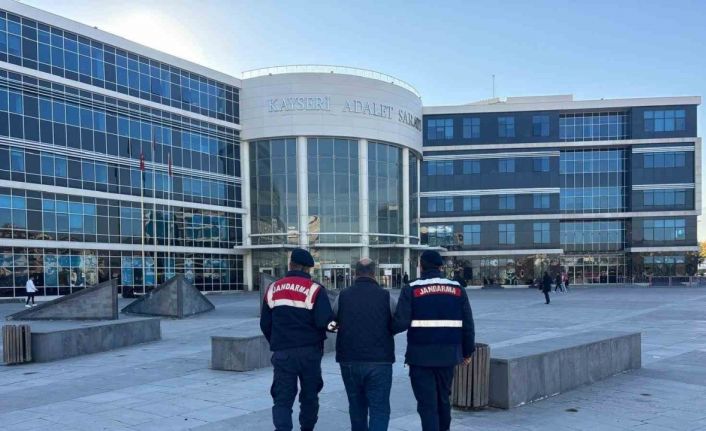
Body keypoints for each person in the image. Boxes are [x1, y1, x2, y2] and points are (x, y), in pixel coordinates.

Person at [393, 250, 475, 431]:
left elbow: (400, 323)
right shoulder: (457, 289)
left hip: (420, 357)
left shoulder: (411, 288)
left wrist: (382, 329)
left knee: (427, 405)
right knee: (443, 400)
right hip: (448, 356)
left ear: (421, 266)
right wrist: (467, 352)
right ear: (440, 267)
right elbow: (468, 324)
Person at [260, 248, 334, 431]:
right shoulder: (315, 290)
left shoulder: (273, 288)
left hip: (283, 353)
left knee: (282, 399)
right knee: (310, 396)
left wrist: (277, 342)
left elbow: (265, 324)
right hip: (310, 353)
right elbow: (325, 322)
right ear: (307, 269)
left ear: (290, 265)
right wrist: (341, 327)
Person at [333, 258, 396, 431]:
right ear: (374, 274)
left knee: (356, 408)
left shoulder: (342, 296)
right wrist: (389, 331)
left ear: (355, 273)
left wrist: (339, 329)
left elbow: (331, 322)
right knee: (379, 408)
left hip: (349, 359)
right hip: (380, 361)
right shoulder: (387, 297)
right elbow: (397, 321)